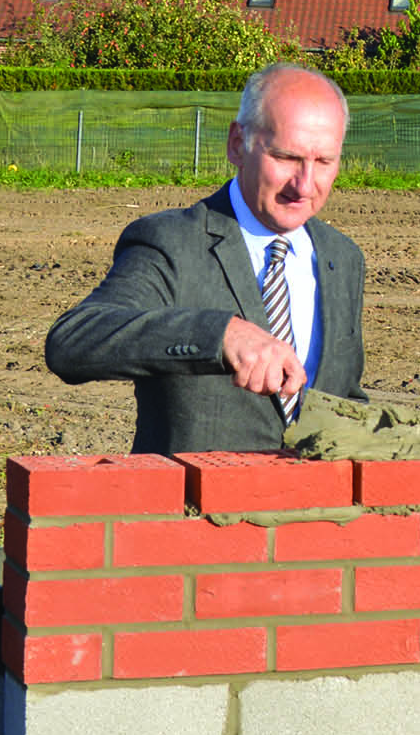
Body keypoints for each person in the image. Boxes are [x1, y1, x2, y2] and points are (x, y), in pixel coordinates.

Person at [46, 62, 366, 455]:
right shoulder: (171, 242)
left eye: (324, 162)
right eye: (286, 157)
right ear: (237, 144)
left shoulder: (343, 258)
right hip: (196, 510)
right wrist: (221, 334)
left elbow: (344, 399)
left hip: (311, 511)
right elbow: (73, 342)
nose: (304, 185)